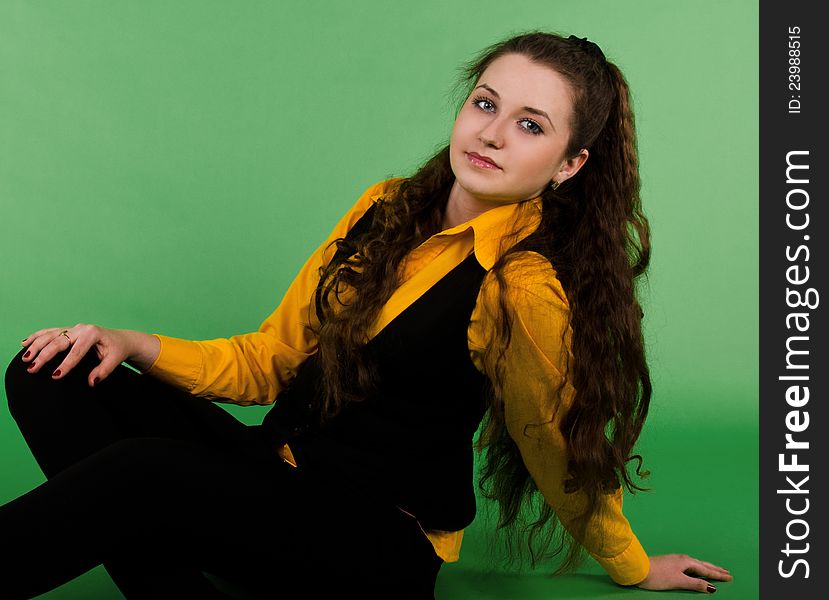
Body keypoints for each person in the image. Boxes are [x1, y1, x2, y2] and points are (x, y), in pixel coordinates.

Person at [2, 31, 733, 598]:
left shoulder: (521, 286)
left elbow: (553, 442)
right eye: (485, 103)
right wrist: (126, 341)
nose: (490, 133)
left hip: (370, 544)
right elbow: (271, 359)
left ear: (568, 164)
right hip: (279, 473)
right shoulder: (384, 209)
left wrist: (630, 564)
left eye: (530, 126)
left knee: (139, 475)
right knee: (47, 373)